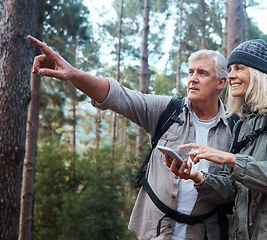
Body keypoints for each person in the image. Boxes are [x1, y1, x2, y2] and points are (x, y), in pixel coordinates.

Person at [27, 35, 232, 240]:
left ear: (221, 82)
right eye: (190, 72)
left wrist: (199, 179)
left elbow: (233, 191)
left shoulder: (234, 129)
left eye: (202, 73)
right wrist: (73, 74)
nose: (193, 79)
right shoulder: (168, 110)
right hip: (156, 233)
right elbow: (118, 96)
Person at [166, 39, 267, 239]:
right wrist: (198, 177)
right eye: (229, 69)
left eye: (239, 68)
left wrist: (229, 159)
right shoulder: (242, 124)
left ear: (257, 74)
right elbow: (234, 189)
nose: (230, 76)